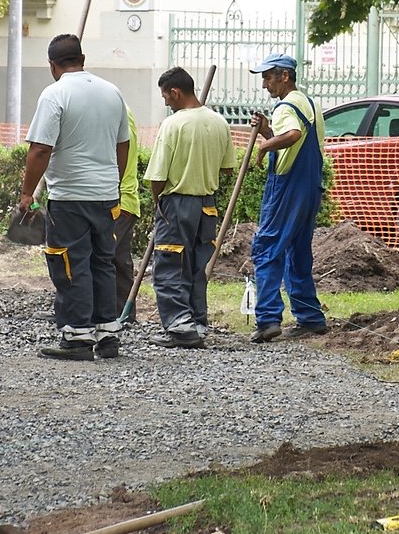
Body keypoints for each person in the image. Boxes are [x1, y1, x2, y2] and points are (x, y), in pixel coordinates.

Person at [17, 33, 131, 361]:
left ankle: (78, 336)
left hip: (70, 196)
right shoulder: (112, 92)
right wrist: (114, 182)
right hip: (106, 194)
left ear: (53, 65)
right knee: (102, 262)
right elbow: (122, 144)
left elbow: (40, 149)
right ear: (82, 59)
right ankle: (108, 333)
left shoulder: (55, 94)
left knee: (69, 262)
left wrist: (27, 193)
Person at [142, 66, 235, 348]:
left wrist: (158, 202)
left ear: (175, 92)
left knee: (171, 265)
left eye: (165, 97)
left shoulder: (173, 124)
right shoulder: (219, 122)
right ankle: (197, 322)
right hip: (207, 206)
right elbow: (227, 169)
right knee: (197, 265)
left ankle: (180, 327)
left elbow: (157, 176)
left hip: (177, 203)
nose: (165, 103)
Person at [247, 52, 327, 343]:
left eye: (268, 77)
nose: (265, 84)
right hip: (310, 188)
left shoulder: (285, 106)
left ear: (285, 76)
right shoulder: (309, 103)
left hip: (288, 188)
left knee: (267, 247)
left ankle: (268, 319)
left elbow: (292, 135)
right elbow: (296, 137)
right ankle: (310, 318)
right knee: (298, 252)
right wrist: (268, 130)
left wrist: (264, 145)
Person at [112, 106, 142, 323]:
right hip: (125, 200)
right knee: (120, 260)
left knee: (99, 257)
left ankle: (87, 314)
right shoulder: (122, 111)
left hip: (117, 201)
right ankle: (124, 314)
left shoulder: (117, 113)